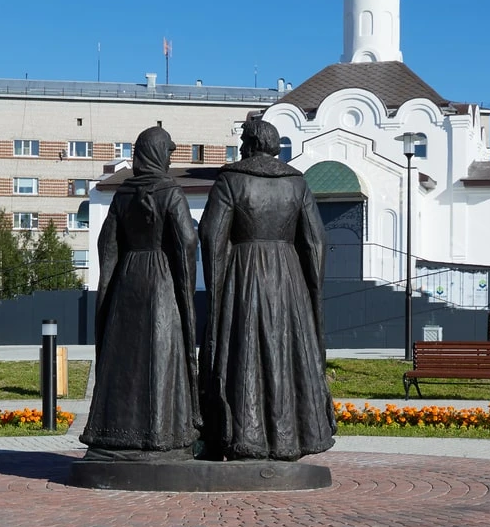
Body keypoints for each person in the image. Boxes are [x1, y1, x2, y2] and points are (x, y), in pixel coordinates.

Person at [199, 116, 335, 462]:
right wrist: (309, 287)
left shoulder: (231, 180)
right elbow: (317, 241)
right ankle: (289, 439)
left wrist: (217, 286)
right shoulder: (296, 183)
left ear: (250, 145)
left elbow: (211, 236)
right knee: (287, 352)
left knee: (243, 352)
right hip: (289, 278)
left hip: (244, 273)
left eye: (243, 141)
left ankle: (245, 437)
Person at [81, 126, 199, 459]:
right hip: (161, 282)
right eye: (168, 153)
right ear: (158, 153)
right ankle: (159, 434)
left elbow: (107, 244)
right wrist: (184, 282)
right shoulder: (171, 192)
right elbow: (187, 240)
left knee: (125, 357)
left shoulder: (123, 194)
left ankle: (116, 432)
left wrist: (111, 285)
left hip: (128, 281)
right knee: (160, 356)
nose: (170, 160)